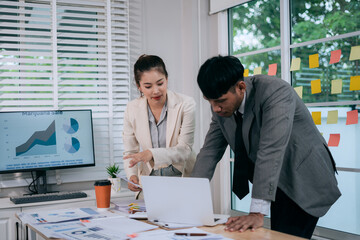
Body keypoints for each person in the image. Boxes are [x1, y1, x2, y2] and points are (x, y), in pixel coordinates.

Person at [191, 55, 341, 239]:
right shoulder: (222, 108)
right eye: (210, 101)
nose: (215, 109)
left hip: (304, 177)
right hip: (275, 181)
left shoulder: (275, 92)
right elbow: (209, 152)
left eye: (220, 101)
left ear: (240, 87)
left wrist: (256, 213)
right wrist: (191, 199)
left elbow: (270, 150)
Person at [123, 54, 196, 197]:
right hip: (150, 178)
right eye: (148, 86)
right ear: (139, 87)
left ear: (167, 79)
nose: (156, 91)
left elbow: (185, 150)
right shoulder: (131, 109)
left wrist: (151, 153)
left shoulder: (186, 104)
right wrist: (132, 176)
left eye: (160, 83)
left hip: (181, 175)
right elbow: (130, 152)